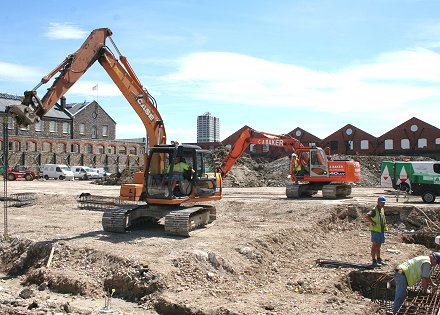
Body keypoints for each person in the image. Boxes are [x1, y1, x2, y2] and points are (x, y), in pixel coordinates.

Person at [365, 196, 388, 267]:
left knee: (379, 245)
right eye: (381, 203)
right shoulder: (374, 210)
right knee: (375, 245)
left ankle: (379, 259)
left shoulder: (381, 210)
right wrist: (373, 222)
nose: (383, 204)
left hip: (380, 230)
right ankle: (374, 261)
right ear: (378, 202)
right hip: (375, 231)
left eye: (383, 203)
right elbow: (367, 216)